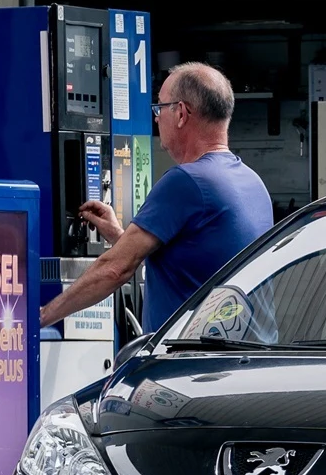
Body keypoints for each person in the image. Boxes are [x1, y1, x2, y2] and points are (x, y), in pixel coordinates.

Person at [40, 62, 272, 334]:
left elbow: (116, 269)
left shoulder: (186, 181)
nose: (156, 118)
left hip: (194, 366)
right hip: (247, 356)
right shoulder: (252, 183)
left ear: (182, 113)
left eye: (159, 108)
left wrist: (42, 317)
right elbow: (193, 260)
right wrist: (120, 236)